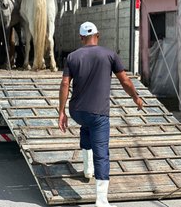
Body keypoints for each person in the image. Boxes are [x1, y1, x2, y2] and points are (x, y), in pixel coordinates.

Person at [58, 21, 143, 207]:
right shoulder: (110, 54)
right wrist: (136, 97)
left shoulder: (72, 57)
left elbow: (65, 84)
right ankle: (102, 200)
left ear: (81, 38)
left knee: (86, 126)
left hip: (77, 112)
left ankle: (88, 170)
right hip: (98, 114)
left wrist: (61, 112)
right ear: (98, 34)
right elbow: (125, 81)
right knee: (102, 153)